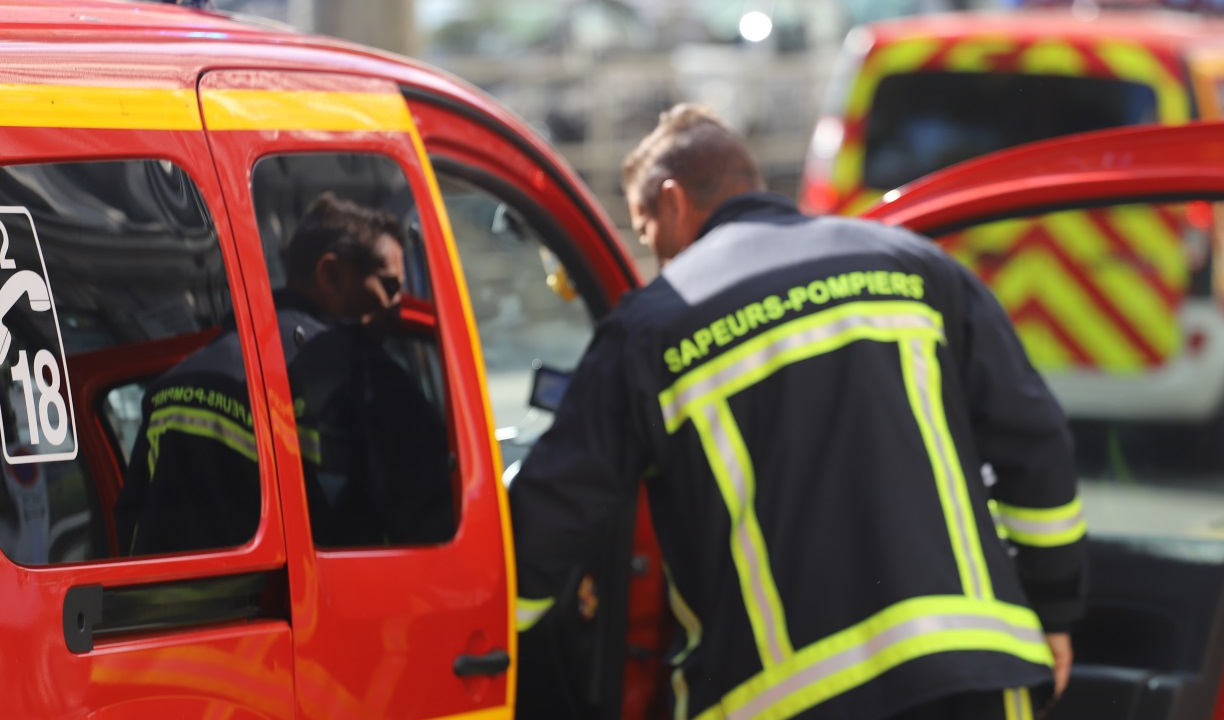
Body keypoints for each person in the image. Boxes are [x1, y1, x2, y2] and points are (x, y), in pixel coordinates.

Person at [510, 104, 1086, 720]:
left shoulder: (650, 331)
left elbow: (557, 509)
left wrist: (490, 631)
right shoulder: (915, 265)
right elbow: (1037, 445)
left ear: (672, 201)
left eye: (646, 232)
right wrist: (1052, 611)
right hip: (973, 672)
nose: (655, 259)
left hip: (790, 699)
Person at [115, 192, 452, 555]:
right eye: (388, 286)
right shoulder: (365, 380)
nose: (395, 308)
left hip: (180, 610)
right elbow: (433, 532)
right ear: (331, 274)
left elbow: (131, 530)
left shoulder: (170, 388)